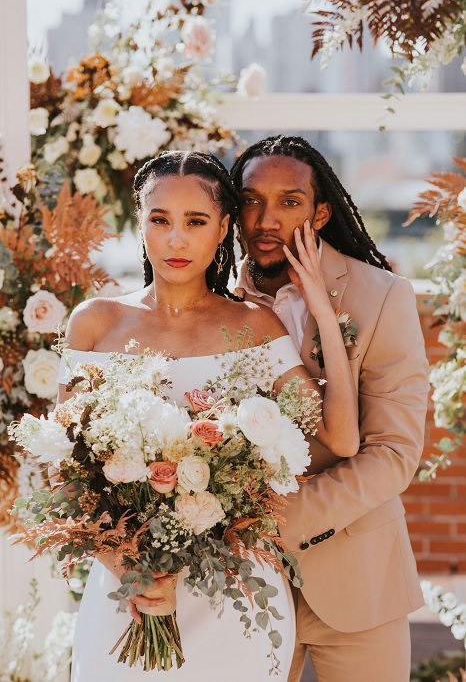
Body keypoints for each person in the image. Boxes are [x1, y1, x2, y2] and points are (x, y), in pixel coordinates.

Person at [56, 150, 360, 681]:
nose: (176, 240)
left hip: (233, 596)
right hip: (129, 592)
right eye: (160, 220)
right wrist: (133, 570)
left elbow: (341, 437)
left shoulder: (255, 326)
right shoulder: (95, 324)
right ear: (140, 221)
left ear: (223, 228)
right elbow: (63, 474)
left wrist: (320, 310)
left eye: (195, 222)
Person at [231, 135, 430, 682]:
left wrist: (277, 521)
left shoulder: (383, 295)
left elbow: (393, 453)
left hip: (358, 581)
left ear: (320, 212)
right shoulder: (212, 304)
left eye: (289, 201)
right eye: (251, 200)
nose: (266, 219)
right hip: (239, 586)